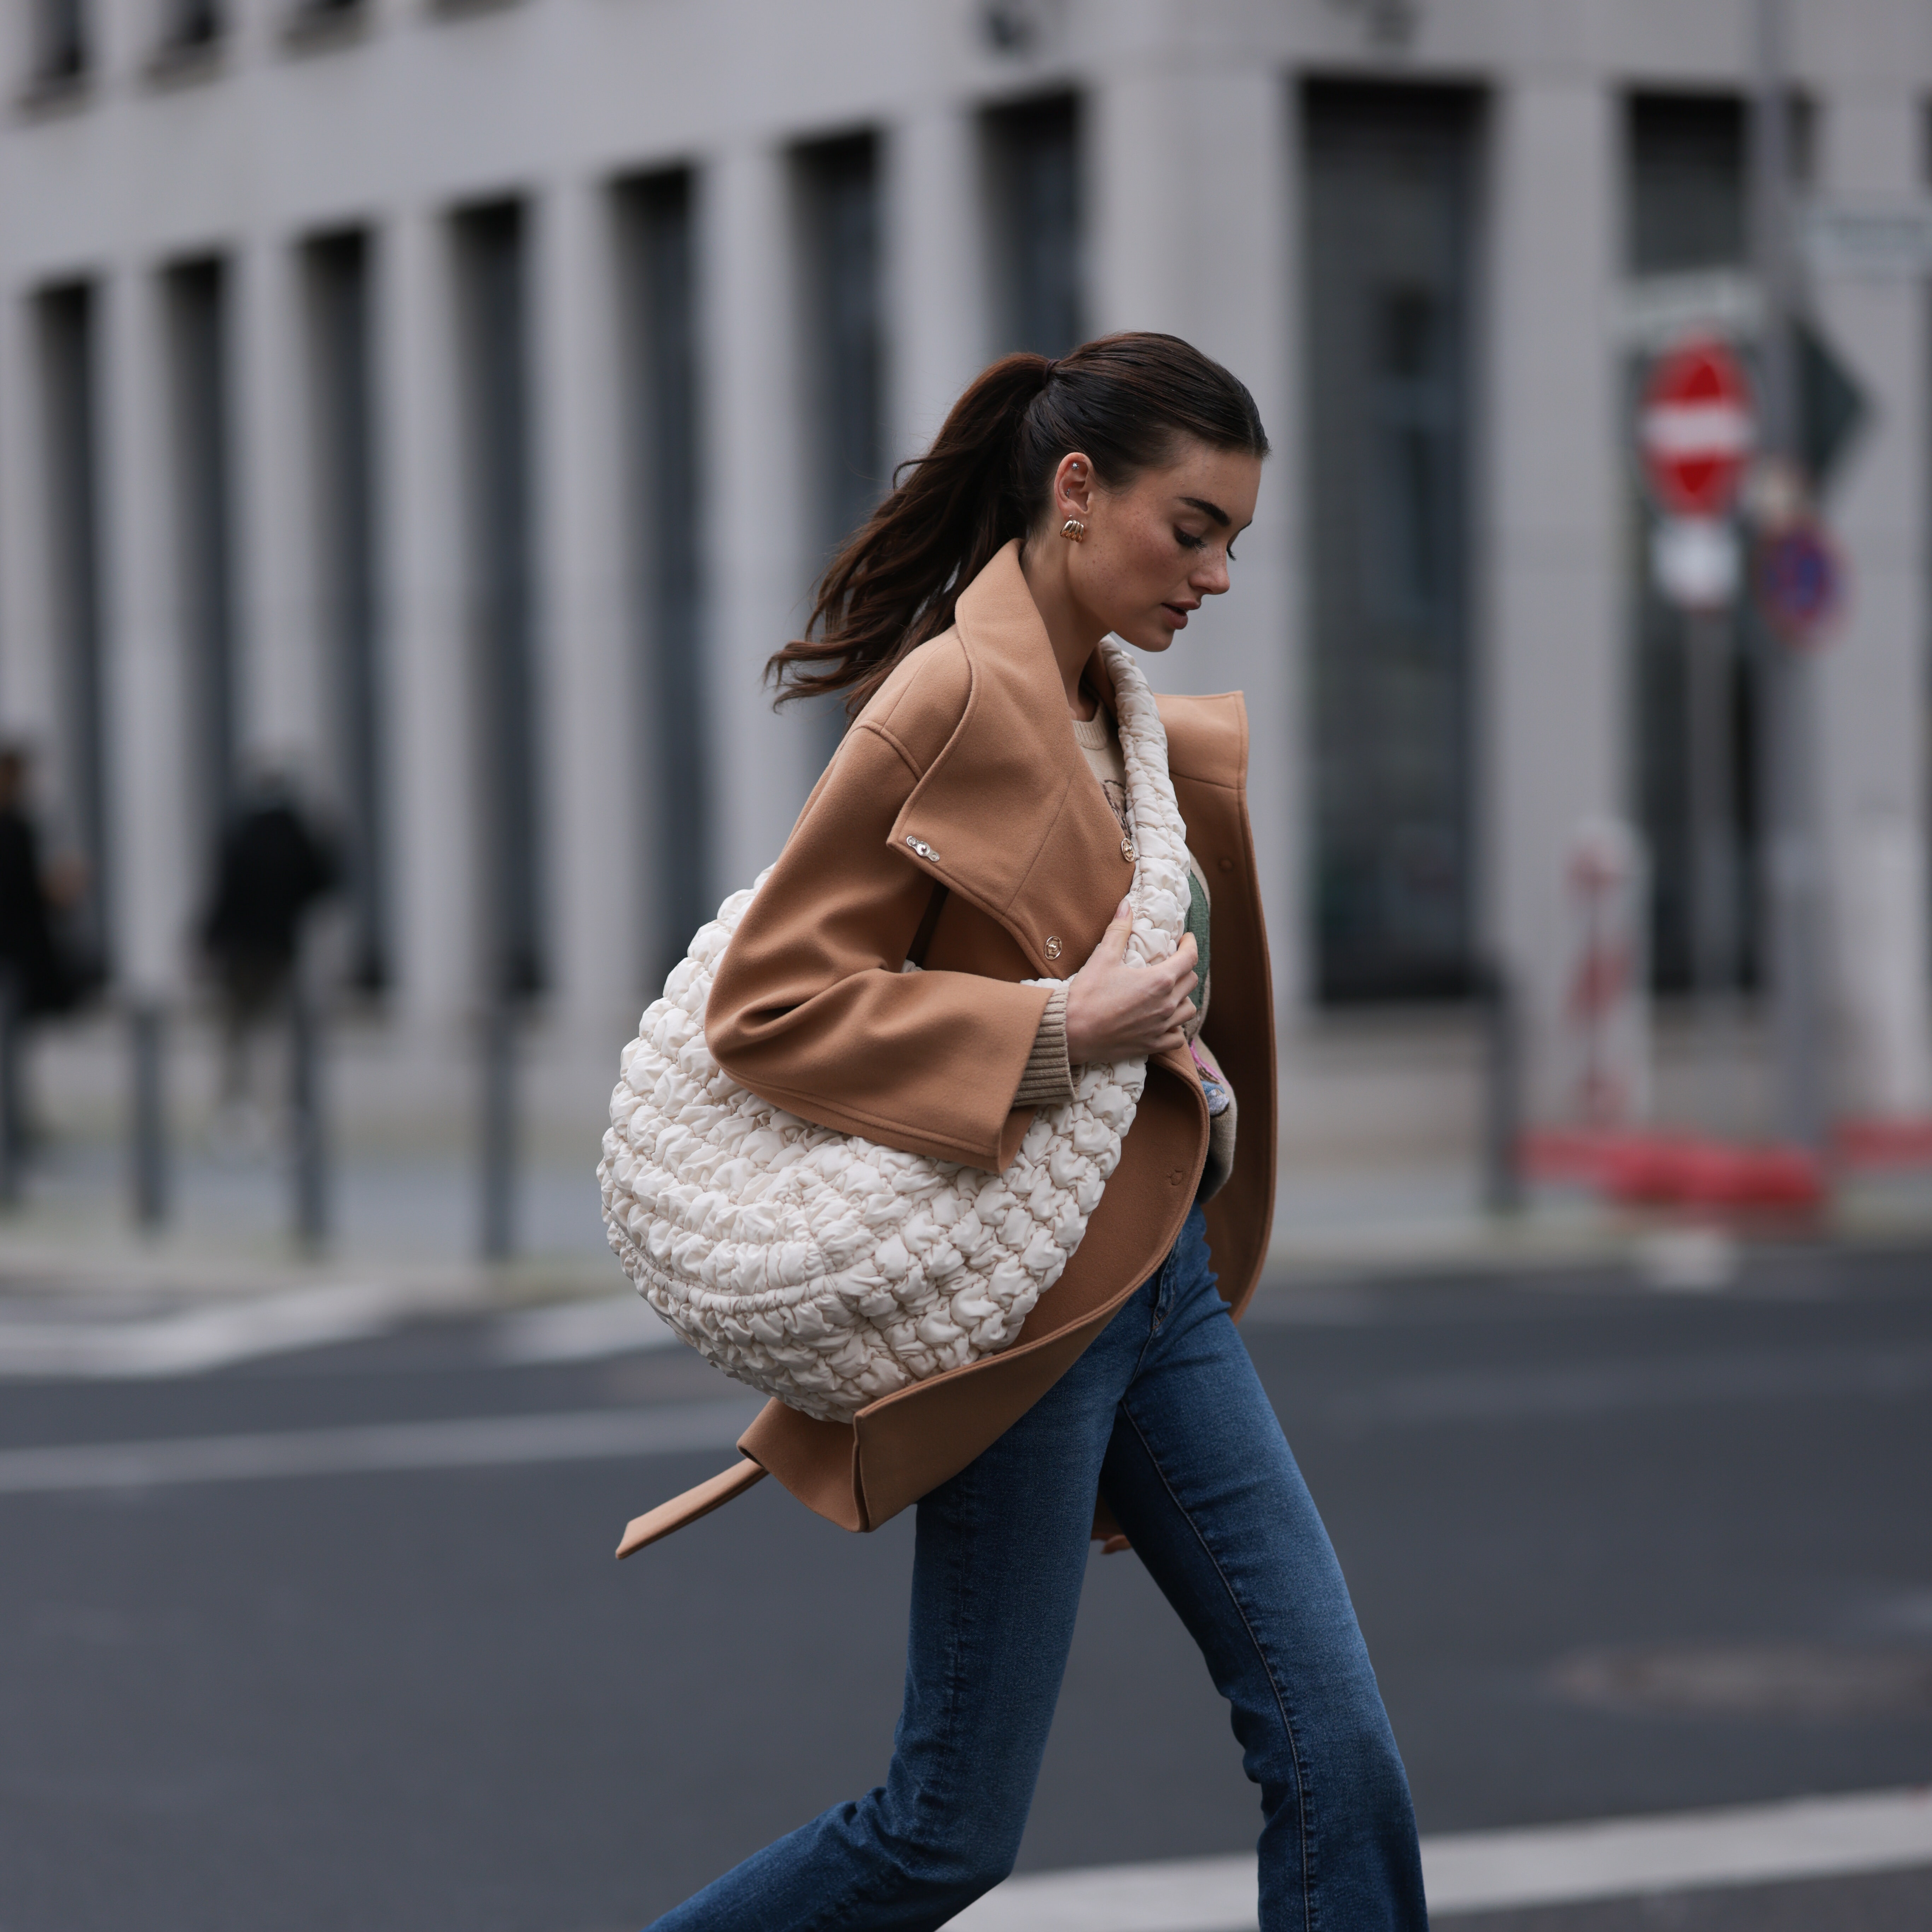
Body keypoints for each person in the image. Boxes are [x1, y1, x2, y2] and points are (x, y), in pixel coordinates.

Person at [642, 335, 1428, 1930]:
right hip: (1028, 1322)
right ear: (1077, 492)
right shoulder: (952, 698)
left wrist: (1169, 1060)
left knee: (1335, 1740)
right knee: (945, 1831)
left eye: (1236, 542)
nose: (1215, 573)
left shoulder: (1119, 714)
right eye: (1191, 526)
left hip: (1164, 1300)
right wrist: (1058, 1030)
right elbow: (772, 1008)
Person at [199, 769, 338, 1131]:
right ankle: (285, 1109)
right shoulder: (297, 835)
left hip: (241, 948)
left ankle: (236, 1108)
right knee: (279, 1030)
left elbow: (225, 891)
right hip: (280, 946)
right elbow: (324, 881)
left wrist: (209, 939)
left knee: (238, 1031)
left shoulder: (243, 832)